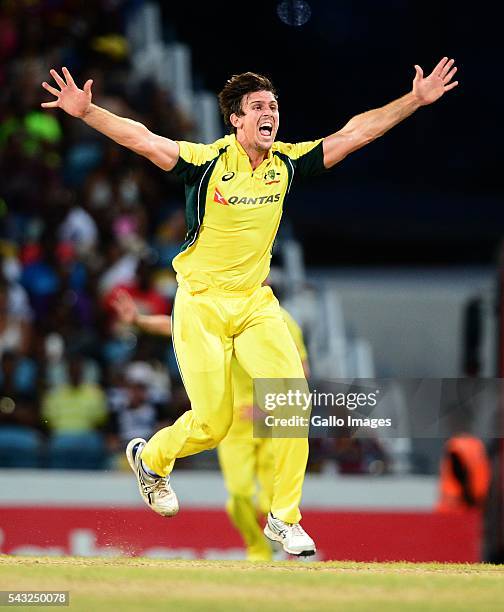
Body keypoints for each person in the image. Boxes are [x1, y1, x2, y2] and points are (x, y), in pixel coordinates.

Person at [41, 58, 458, 555]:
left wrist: (414, 99)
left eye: (274, 106)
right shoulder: (207, 162)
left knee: (290, 406)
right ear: (235, 119)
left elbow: (355, 134)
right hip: (200, 304)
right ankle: (151, 459)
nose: (269, 114)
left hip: (256, 305)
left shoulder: (286, 163)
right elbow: (143, 139)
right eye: (258, 106)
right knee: (212, 423)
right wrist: (89, 114)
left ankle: (283, 518)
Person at [112, 289, 310, 561]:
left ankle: (275, 536)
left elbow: (301, 372)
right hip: (234, 425)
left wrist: (267, 406)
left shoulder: (279, 320)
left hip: (269, 423)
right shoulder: (219, 312)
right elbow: (177, 328)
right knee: (239, 497)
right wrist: (139, 321)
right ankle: (258, 550)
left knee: (269, 499)